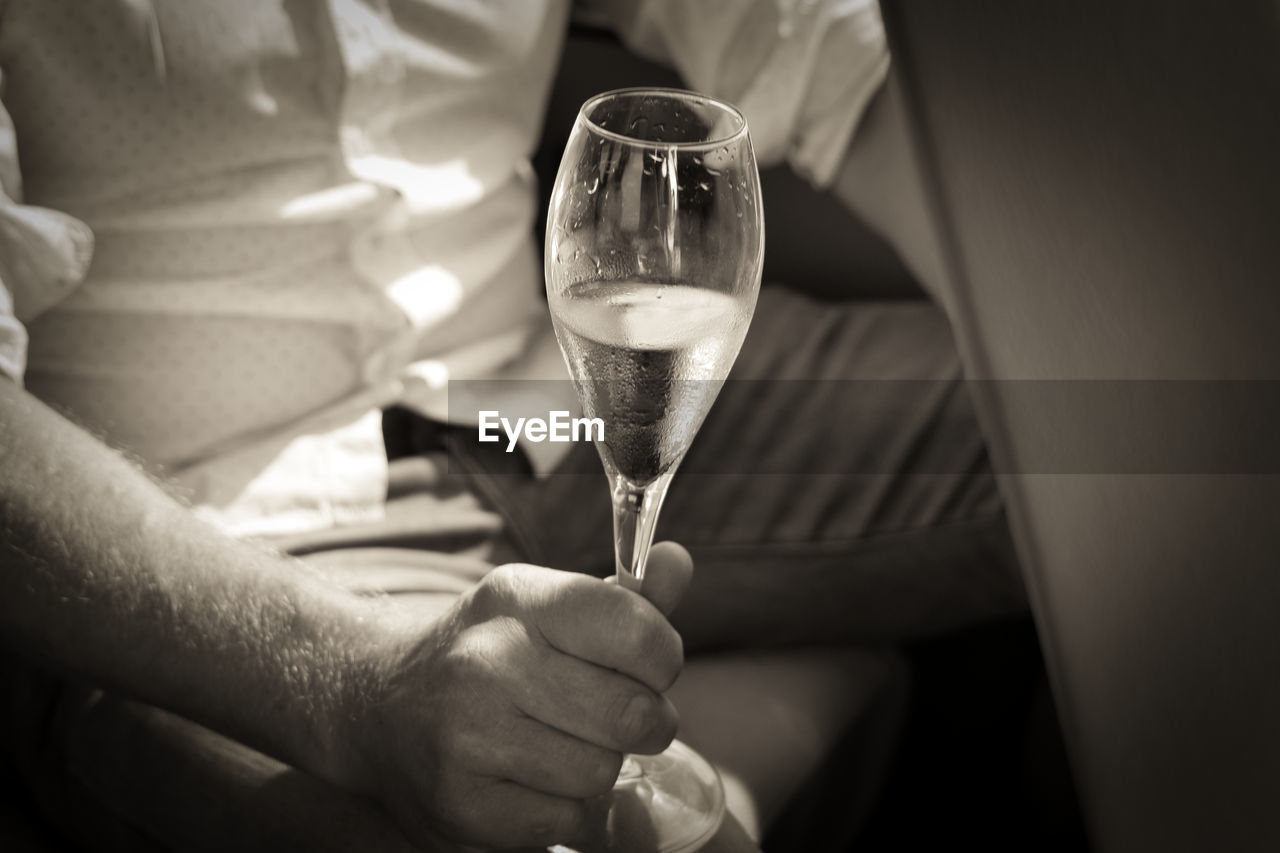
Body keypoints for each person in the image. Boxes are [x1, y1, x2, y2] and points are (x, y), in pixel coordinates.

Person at [0, 1, 1025, 849]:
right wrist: (357, 691)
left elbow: (816, 48)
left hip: (543, 394)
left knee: (1148, 453)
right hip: (212, 531)